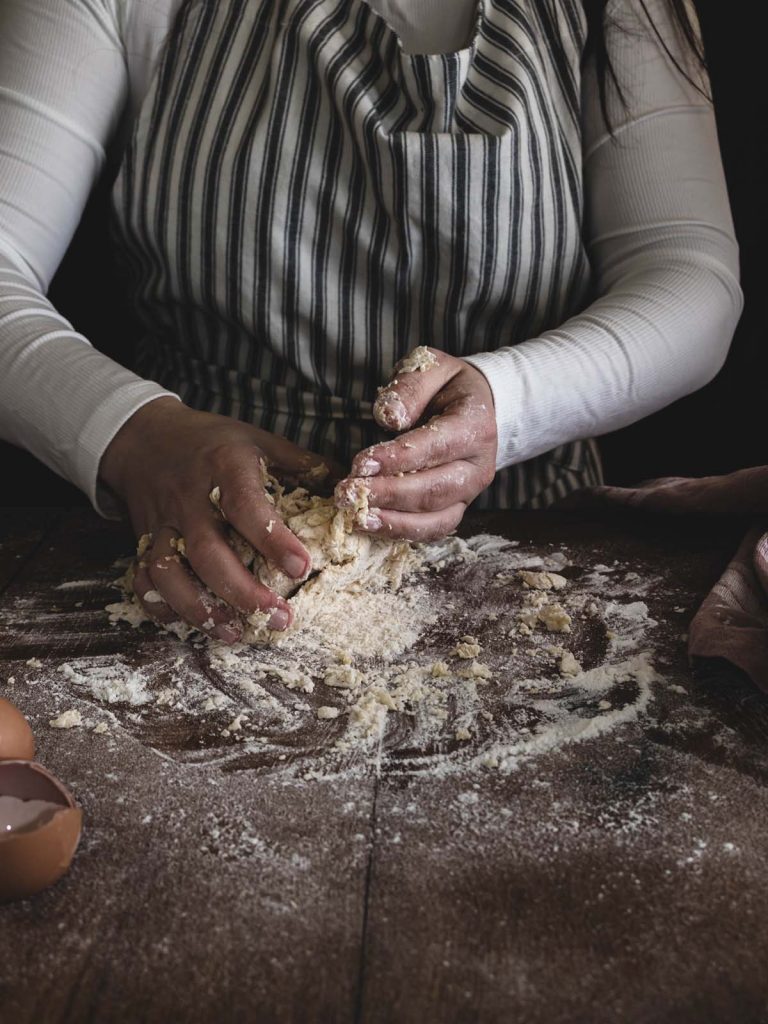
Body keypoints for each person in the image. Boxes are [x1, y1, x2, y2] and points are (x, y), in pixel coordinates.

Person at [0, 0, 741, 641]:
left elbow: (690, 281)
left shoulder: (618, 10)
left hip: (532, 557)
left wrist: (511, 403)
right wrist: (134, 434)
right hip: (188, 559)